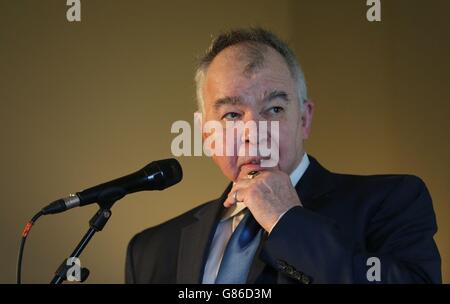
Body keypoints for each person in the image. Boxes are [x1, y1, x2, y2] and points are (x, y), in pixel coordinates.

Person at [125, 28, 441, 284]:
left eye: (274, 109)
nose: (253, 132)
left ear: (304, 119)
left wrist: (286, 220)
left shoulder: (392, 201)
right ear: (206, 133)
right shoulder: (150, 251)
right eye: (232, 115)